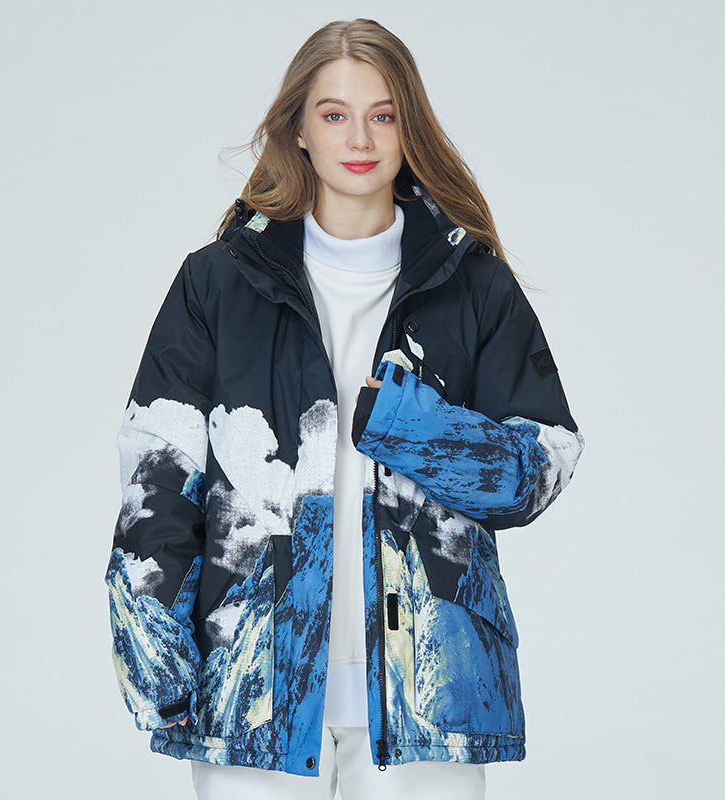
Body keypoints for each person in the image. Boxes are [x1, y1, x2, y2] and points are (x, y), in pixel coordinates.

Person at [104, 17, 584, 800]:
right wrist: (158, 665)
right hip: (252, 694)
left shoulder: (473, 284)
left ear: (408, 127)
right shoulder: (217, 283)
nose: (359, 138)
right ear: (298, 129)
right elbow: (157, 483)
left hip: (430, 699)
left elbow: (537, 470)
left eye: (382, 114)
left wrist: (404, 425)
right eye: (334, 114)